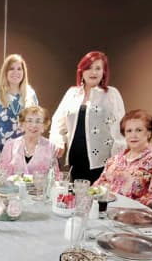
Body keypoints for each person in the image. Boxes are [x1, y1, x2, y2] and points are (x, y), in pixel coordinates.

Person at [49, 50, 126, 182]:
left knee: (99, 194)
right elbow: (57, 122)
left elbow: (120, 129)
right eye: (89, 68)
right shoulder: (72, 93)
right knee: (76, 193)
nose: (93, 72)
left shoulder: (111, 94)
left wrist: (117, 161)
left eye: (98, 68)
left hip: (102, 162)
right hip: (75, 158)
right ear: (82, 71)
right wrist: (58, 141)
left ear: (104, 72)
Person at [93, 109, 152, 207]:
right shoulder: (114, 160)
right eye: (129, 131)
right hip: (105, 209)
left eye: (139, 130)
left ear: (149, 133)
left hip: (135, 213)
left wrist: (122, 206)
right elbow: (98, 186)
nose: (133, 135)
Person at [0, 54, 39, 173]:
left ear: (24, 72)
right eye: (11, 69)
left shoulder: (30, 94)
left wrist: (37, 142)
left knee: (23, 181)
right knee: (0, 182)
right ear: (5, 72)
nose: (16, 72)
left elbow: (37, 121)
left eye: (19, 69)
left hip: (25, 149)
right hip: (1, 148)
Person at [0, 105, 58, 176]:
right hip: (12, 184)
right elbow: (1, 174)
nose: (34, 125)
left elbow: (55, 177)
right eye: (29, 120)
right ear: (22, 124)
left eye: (38, 121)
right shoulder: (10, 145)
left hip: (40, 184)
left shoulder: (50, 147)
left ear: (44, 125)